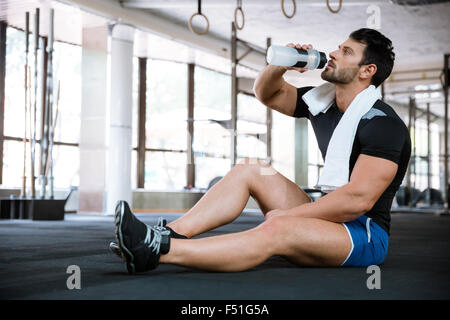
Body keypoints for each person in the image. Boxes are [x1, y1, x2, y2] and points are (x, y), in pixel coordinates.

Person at [113, 28, 411, 274]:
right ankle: (169, 234)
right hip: (329, 215)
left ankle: (158, 251)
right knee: (252, 167)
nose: (333, 53)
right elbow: (266, 93)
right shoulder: (323, 104)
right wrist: (280, 66)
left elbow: (358, 200)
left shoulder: (383, 124)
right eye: (338, 47)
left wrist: (292, 216)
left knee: (278, 228)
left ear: (367, 71)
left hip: (363, 233)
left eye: (346, 52)